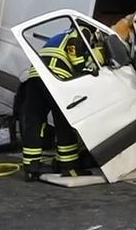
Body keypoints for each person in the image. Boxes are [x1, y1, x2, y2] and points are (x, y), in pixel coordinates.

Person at [19, 25, 91, 181]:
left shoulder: (59, 34)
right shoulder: (82, 31)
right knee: (63, 123)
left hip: (34, 77)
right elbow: (75, 48)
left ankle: (31, 168)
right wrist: (83, 69)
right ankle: (69, 168)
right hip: (55, 78)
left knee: (34, 122)